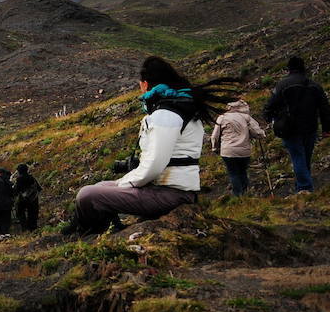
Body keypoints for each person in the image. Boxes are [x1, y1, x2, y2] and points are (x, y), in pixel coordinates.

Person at [69, 56, 237, 235]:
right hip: (174, 191)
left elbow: (154, 165)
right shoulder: (181, 109)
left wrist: (123, 183)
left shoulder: (165, 115)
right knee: (101, 187)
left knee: (87, 195)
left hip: (170, 194)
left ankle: (93, 237)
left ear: (145, 84)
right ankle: (106, 231)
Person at [264, 57, 330, 193]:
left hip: (290, 127)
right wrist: (327, 128)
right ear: (303, 68)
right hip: (310, 127)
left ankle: (304, 188)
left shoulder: (282, 85)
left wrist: (268, 117)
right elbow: (325, 108)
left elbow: (271, 104)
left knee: (298, 156)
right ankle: (303, 186)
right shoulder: (314, 85)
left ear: (289, 69)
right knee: (305, 157)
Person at [211, 99, 267, 196]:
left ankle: (238, 195)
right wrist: (261, 135)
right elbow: (258, 133)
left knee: (233, 173)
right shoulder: (246, 118)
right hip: (244, 151)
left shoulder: (222, 118)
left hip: (228, 151)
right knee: (242, 171)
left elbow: (215, 136)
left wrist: (215, 148)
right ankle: (245, 193)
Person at [13, 163, 41, 232]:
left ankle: (24, 228)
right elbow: (39, 188)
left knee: (20, 213)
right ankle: (33, 228)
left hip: (23, 199)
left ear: (19, 171)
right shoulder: (31, 177)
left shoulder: (19, 179)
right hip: (33, 198)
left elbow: (16, 190)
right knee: (32, 214)